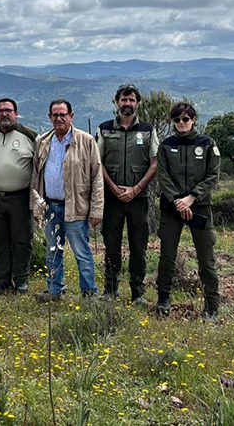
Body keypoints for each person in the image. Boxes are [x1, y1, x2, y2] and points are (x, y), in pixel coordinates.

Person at [30, 99, 104, 300]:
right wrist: (36, 206)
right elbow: (36, 176)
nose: (59, 118)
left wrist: (97, 210)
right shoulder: (43, 142)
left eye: (63, 114)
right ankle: (55, 291)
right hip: (50, 206)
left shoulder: (86, 141)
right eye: (55, 115)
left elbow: (97, 177)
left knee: (82, 253)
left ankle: (89, 293)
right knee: (53, 252)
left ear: (71, 116)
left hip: (76, 207)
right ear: (50, 117)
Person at [155, 102, 221, 322]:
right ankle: (163, 299)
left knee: (206, 259)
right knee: (167, 257)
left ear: (194, 120)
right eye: (177, 119)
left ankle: (211, 307)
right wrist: (178, 201)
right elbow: (163, 176)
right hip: (171, 208)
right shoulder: (166, 145)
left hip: (199, 207)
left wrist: (192, 197)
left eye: (185, 119)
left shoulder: (207, 143)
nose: (181, 123)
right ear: (172, 122)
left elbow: (212, 175)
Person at [97, 84, 159, 305]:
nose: (127, 103)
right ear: (117, 102)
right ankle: (110, 291)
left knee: (138, 247)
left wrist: (136, 189)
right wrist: (113, 188)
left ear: (137, 103)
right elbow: (98, 162)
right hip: (112, 199)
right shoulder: (105, 129)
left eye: (131, 100)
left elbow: (155, 163)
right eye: (124, 99)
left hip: (138, 199)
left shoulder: (148, 130)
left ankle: (137, 293)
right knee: (111, 246)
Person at [0, 98, 37, 294]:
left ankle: (21, 279)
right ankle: (2, 279)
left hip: (20, 197)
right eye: (0, 111)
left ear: (16, 113)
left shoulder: (29, 136)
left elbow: (38, 168)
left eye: (8, 110)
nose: (4, 114)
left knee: (22, 239)